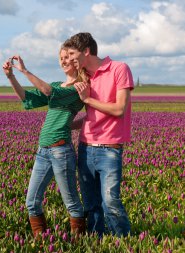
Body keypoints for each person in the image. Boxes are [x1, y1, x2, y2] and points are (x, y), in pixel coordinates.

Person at [1, 47, 88, 239]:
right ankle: (41, 242)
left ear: (77, 61)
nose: (64, 61)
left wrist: (25, 71)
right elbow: (28, 98)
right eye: (62, 58)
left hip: (60, 151)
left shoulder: (78, 88)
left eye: (68, 58)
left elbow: (48, 91)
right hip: (43, 151)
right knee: (32, 202)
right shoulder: (59, 85)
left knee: (72, 202)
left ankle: (79, 242)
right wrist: (11, 77)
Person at [63, 32, 133, 237]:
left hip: (109, 148)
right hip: (85, 147)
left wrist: (88, 99)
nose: (70, 59)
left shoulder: (119, 69)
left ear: (86, 51)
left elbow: (119, 109)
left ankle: (123, 241)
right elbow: (90, 117)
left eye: (73, 54)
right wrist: (65, 126)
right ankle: (96, 240)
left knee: (111, 202)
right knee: (91, 203)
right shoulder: (84, 76)